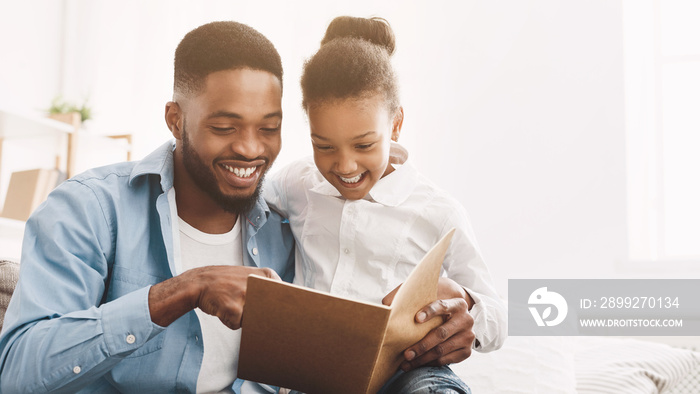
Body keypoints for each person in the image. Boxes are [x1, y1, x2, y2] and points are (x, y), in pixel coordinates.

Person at [0, 21, 294, 393]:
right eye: (224, 127)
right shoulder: (88, 209)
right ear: (175, 119)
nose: (251, 149)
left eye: (269, 129)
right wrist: (183, 290)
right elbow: (16, 374)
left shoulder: (282, 233)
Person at [264, 16, 507, 393]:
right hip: (317, 371)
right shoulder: (297, 184)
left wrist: (466, 305)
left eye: (364, 145)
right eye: (324, 146)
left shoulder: (438, 211)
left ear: (395, 125)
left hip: (409, 370)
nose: (344, 166)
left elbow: (498, 317)